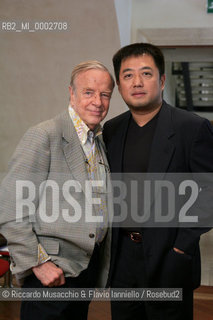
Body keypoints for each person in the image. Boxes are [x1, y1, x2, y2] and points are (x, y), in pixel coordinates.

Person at [103, 43, 213, 320]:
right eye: (128, 75)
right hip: (122, 258)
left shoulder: (191, 127)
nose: (137, 82)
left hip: (170, 256)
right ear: (119, 84)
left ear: (162, 80)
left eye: (146, 74)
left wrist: (180, 246)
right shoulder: (112, 129)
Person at [0, 60, 114, 320]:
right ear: (71, 93)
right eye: (88, 92)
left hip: (85, 269)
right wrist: (38, 263)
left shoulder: (98, 140)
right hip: (52, 272)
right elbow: (10, 207)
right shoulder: (45, 135)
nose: (97, 101)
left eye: (105, 94)